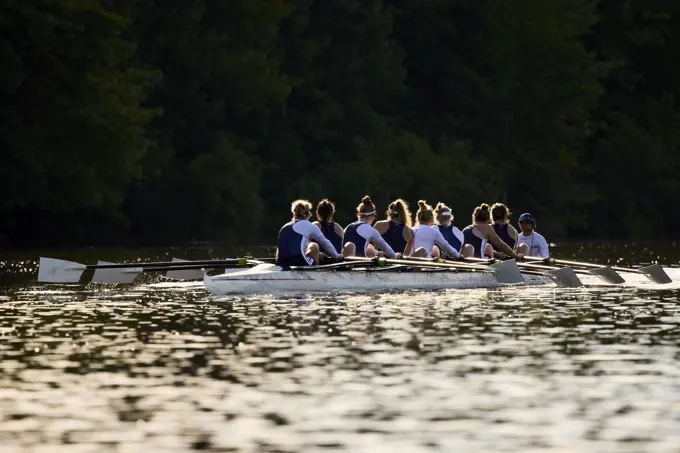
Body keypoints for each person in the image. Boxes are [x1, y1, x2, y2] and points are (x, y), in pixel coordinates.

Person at [276, 199, 343, 269]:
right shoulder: (310, 226)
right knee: (314, 246)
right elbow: (325, 242)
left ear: (293, 213)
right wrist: (337, 256)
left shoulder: (284, 227)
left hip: (281, 263)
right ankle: (316, 274)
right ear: (308, 214)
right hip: (298, 263)